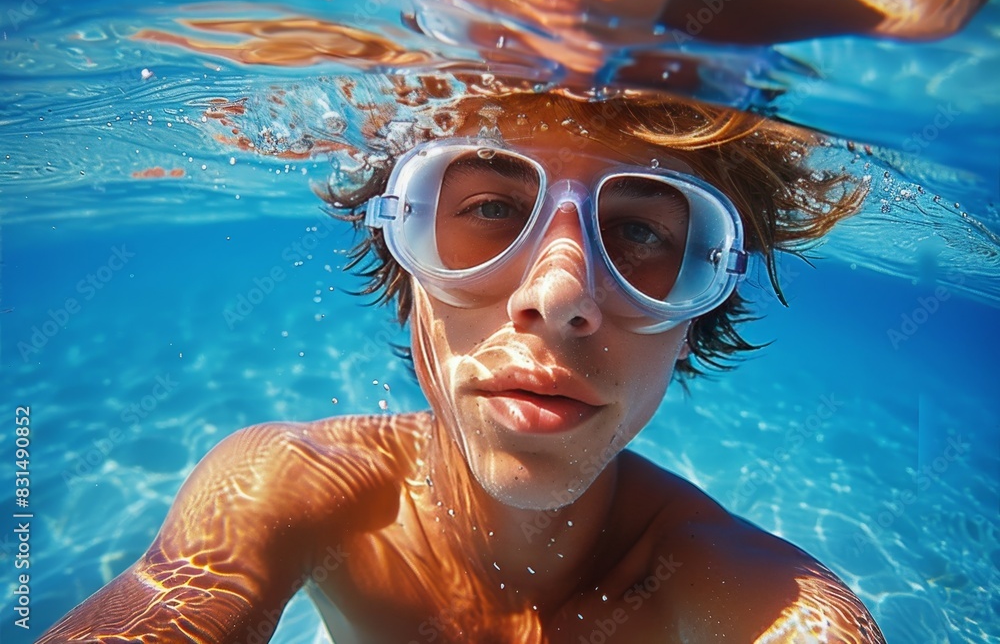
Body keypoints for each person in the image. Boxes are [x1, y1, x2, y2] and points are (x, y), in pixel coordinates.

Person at [39, 83, 886, 643]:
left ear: (696, 313)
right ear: (405, 261)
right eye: (489, 209)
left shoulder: (768, 604)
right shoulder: (292, 490)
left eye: (639, 233)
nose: (559, 294)